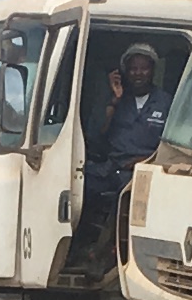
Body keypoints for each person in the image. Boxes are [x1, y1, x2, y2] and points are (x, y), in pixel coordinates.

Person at [71, 43, 167, 276]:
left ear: (152, 70)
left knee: (124, 195)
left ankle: (102, 258)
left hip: (143, 170)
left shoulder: (166, 102)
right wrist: (114, 100)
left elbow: (171, 144)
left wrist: (144, 161)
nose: (138, 74)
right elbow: (96, 134)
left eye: (144, 68)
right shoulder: (115, 100)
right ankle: (75, 250)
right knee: (75, 184)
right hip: (110, 166)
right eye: (133, 69)